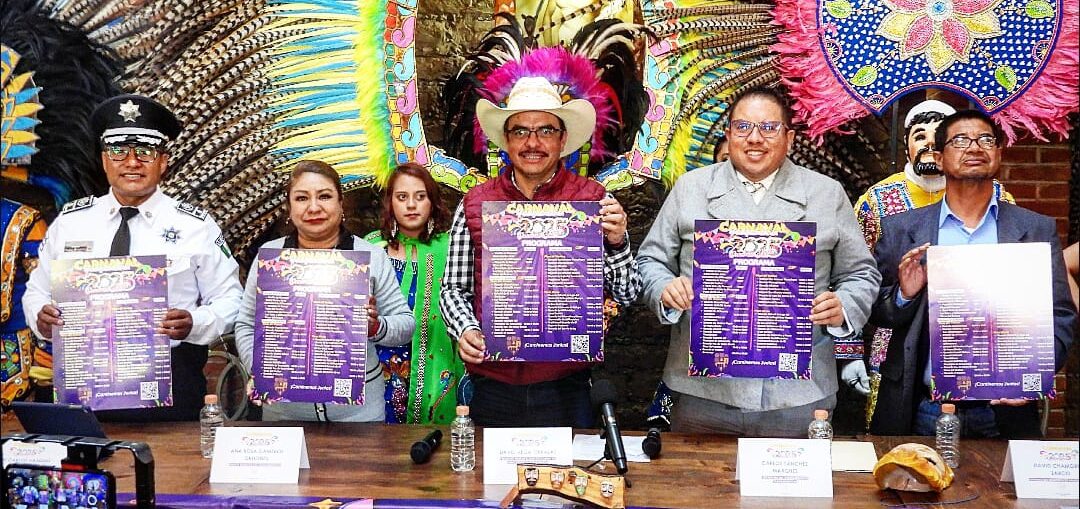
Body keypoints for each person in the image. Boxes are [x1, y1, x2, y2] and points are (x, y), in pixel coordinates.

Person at [636, 87, 881, 436]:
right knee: (696, 472)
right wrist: (664, 288)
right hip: (703, 391)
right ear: (728, 134)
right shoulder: (691, 188)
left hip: (798, 393)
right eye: (743, 127)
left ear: (789, 138)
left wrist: (844, 305)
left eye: (769, 128)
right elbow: (650, 259)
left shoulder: (827, 194)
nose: (755, 139)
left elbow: (861, 273)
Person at [22, 94, 244, 421]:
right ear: (104, 159)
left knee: (170, 458)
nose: (132, 162)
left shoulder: (195, 226)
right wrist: (41, 318)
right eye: (118, 151)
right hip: (82, 382)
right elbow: (36, 292)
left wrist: (194, 323)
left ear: (163, 161)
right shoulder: (70, 222)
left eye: (145, 151)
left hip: (169, 384)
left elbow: (232, 300)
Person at [440, 76, 641, 427]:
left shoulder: (594, 201)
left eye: (546, 130)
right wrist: (465, 329)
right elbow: (453, 289)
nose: (532, 143)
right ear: (506, 140)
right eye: (520, 131)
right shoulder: (475, 202)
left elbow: (628, 293)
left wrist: (617, 242)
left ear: (563, 139)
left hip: (567, 384)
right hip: (494, 384)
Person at [869, 109, 1077, 437]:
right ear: (939, 157)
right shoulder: (902, 228)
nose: (975, 147)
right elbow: (877, 311)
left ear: (999, 153)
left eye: (986, 139)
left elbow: (1061, 315)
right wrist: (904, 295)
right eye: (960, 140)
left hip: (1005, 406)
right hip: (923, 407)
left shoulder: (1034, 229)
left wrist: (1033, 373)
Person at [846, 99, 1014, 429]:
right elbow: (855, 278)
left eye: (937, 136)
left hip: (978, 347)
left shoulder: (997, 198)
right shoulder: (877, 200)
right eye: (919, 135)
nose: (927, 143)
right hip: (895, 343)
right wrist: (850, 351)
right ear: (906, 145)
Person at [235, 160, 414, 422]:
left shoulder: (371, 256)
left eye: (325, 196)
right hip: (284, 414)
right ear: (289, 208)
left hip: (358, 417)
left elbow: (406, 325)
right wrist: (262, 370)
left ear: (341, 204)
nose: (314, 207)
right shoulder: (270, 258)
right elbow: (246, 324)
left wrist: (376, 328)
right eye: (302, 198)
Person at [363, 162, 464, 424]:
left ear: (432, 202)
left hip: (432, 359)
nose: (411, 205)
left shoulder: (450, 248)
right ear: (390, 203)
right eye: (402, 197)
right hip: (377, 363)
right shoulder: (370, 247)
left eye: (420, 197)